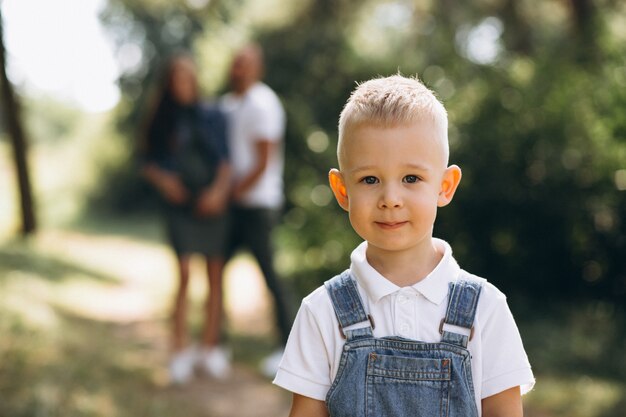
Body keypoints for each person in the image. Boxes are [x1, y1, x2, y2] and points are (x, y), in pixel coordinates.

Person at [273, 75, 535, 416]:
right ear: (341, 190)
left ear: (444, 186)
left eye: (411, 178)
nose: (390, 199)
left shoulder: (484, 309)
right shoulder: (322, 312)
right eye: (370, 180)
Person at [140, 52, 232, 384]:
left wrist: (218, 193)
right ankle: (178, 349)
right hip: (179, 206)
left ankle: (209, 347)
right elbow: (146, 161)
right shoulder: (161, 118)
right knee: (182, 273)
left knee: (214, 274)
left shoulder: (212, 114)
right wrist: (165, 181)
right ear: (168, 81)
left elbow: (225, 160)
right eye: (176, 77)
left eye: (187, 76)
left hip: (212, 204)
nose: (182, 82)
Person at [220, 44, 294, 377]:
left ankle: (288, 350)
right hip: (233, 204)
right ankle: (216, 342)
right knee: (215, 268)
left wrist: (232, 192)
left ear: (257, 68)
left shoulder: (264, 103)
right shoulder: (227, 105)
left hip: (257, 204)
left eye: (246, 64)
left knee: (269, 275)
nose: (239, 70)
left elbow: (264, 161)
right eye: (236, 64)